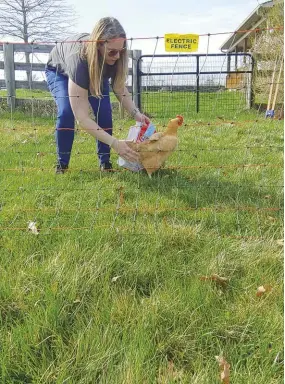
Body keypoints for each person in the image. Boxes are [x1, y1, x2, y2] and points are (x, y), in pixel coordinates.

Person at [45, 17, 149, 173]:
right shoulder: (79, 58)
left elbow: (120, 89)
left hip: (95, 69)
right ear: (98, 45)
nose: (117, 56)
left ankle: (105, 163)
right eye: (112, 52)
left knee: (105, 112)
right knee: (67, 112)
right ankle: (62, 164)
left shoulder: (114, 58)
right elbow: (82, 118)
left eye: (121, 51)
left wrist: (136, 114)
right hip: (60, 71)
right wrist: (115, 143)